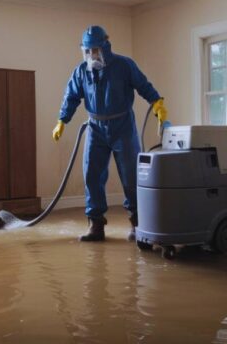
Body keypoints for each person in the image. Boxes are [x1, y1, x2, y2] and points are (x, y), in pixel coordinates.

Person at [52, 26, 167, 242]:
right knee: (91, 174)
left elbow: (143, 85)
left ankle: (137, 222)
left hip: (122, 126)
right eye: (87, 51)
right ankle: (96, 224)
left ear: (105, 47)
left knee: (131, 175)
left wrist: (157, 102)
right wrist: (62, 120)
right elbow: (71, 96)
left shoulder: (124, 66)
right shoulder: (81, 72)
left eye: (94, 51)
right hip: (95, 127)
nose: (91, 56)